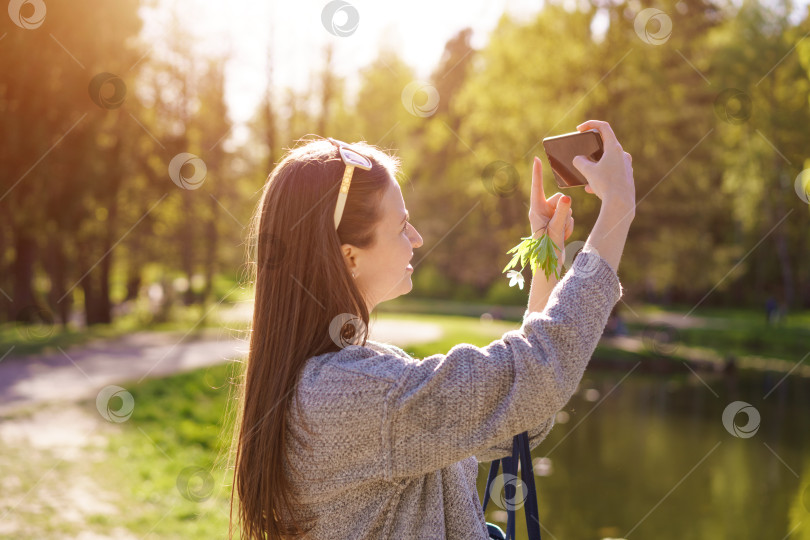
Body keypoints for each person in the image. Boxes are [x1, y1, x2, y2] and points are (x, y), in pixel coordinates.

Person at [228, 120, 636, 539]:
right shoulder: (350, 397)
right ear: (349, 257)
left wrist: (545, 254)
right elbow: (533, 379)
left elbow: (516, 420)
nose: (418, 238)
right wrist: (617, 209)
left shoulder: (359, 377)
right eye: (402, 226)